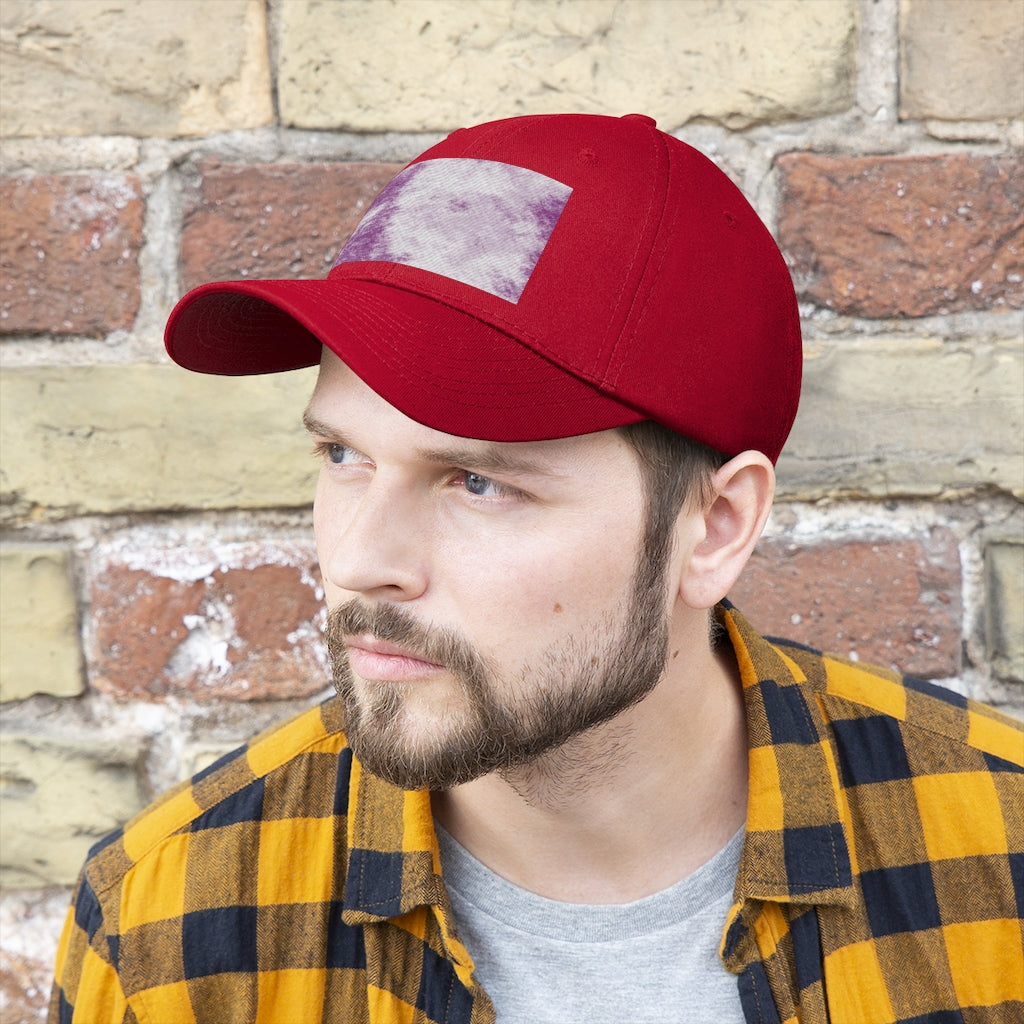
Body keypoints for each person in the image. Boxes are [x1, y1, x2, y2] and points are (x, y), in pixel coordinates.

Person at [51, 113, 1023, 1024]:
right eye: (344, 457)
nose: (358, 561)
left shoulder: (998, 854)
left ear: (715, 525)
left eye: (476, 481)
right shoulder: (167, 929)